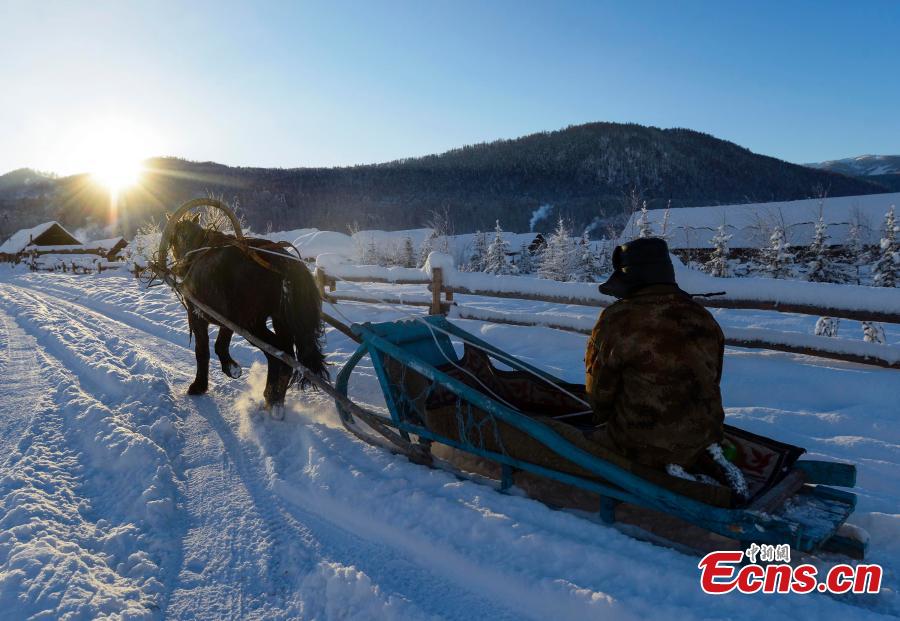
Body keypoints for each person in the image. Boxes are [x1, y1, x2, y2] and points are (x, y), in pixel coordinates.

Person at [585, 237, 728, 476]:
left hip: (640, 444)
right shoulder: (702, 317)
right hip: (705, 439)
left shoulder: (617, 319)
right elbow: (713, 378)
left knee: (561, 436)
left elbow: (599, 390)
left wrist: (600, 418)